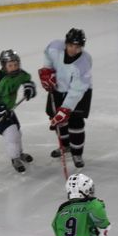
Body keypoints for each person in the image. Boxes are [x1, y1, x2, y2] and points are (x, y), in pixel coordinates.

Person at [38, 28, 93, 168]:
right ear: (66, 43)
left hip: (80, 93)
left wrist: (66, 109)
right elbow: (48, 56)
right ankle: (65, 146)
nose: (74, 49)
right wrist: (47, 71)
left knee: (75, 122)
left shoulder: (84, 62)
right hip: (58, 88)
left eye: (78, 47)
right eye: (71, 45)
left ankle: (77, 153)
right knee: (58, 119)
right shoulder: (55, 47)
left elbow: (77, 89)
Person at [0, 49, 37, 173]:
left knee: (17, 131)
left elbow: (27, 79)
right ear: (4, 65)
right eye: (10, 65)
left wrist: (29, 86)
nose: (14, 68)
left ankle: (19, 153)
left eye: (16, 64)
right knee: (11, 133)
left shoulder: (20, 74)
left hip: (7, 108)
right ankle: (15, 158)